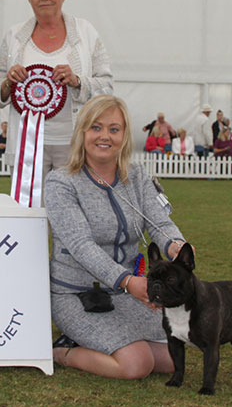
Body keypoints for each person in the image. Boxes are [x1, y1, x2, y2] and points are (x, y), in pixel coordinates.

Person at [44, 95, 188, 379]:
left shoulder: (136, 177)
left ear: (124, 135)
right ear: (82, 133)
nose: (104, 136)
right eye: (96, 128)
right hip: (77, 294)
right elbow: (81, 246)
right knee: (137, 365)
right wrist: (126, 281)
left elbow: (159, 222)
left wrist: (176, 245)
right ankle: (63, 351)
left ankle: (117, 340)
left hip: (129, 293)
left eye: (114, 129)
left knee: (175, 359)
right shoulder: (61, 182)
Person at [0, 0, 113, 182]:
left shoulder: (86, 33)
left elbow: (107, 86)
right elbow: (1, 91)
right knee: (30, 214)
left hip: (75, 145)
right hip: (27, 147)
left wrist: (77, 81)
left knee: (71, 214)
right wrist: (8, 83)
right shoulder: (13, 36)